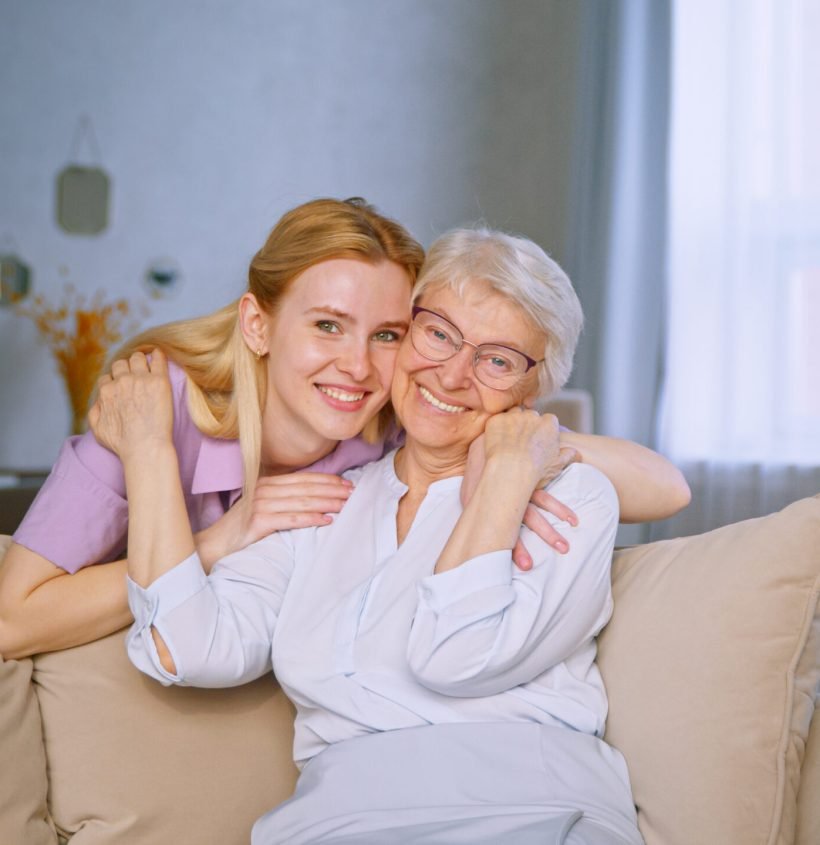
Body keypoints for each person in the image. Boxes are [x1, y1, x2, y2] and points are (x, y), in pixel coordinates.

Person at [97, 227, 645, 844]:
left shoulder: (571, 497)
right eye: (439, 333)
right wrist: (149, 452)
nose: (453, 375)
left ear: (534, 388)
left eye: (497, 360)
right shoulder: (323, 500)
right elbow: (184, 649)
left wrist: (506, 477)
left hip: (534, 811)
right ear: (404, 334)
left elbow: (456, 657)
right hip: (339, 824)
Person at [0, 198, 689, 661]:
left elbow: (665, 488)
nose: (357, 366)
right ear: (258, 324)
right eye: (328, 324)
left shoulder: (393, 422)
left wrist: (515, 445)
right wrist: (216, 541)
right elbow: (12, 620)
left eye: (386, 334)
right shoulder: (154, 413)